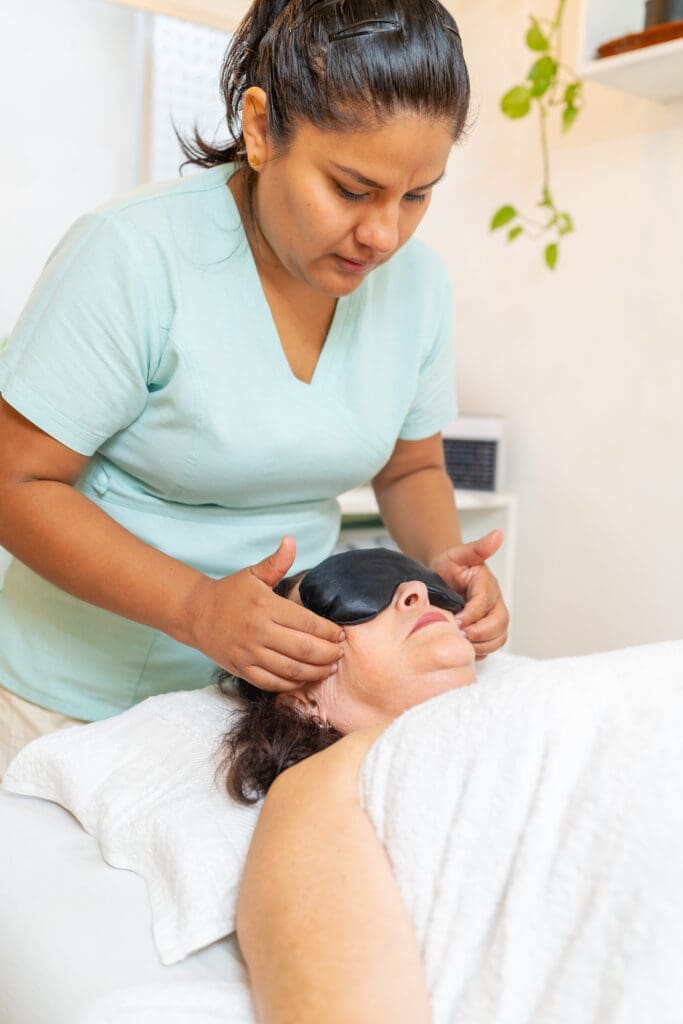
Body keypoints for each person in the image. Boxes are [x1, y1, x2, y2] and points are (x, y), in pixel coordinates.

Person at [0, 0, 508, 777]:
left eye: (415, 195)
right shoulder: (132, 255)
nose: (384, 235)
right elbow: (17, 480)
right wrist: (195, 608)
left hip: (271, 698)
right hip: (70, 700)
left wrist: (447, 571)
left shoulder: (417, 286)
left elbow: (409, 468)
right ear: (262, 129)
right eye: (350, 188)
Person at [218, 546, 476, 802]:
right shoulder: (322, 795)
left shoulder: (513, 713)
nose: (418, 590)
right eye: (359, 589)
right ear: (302, 704)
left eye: (434, 587)